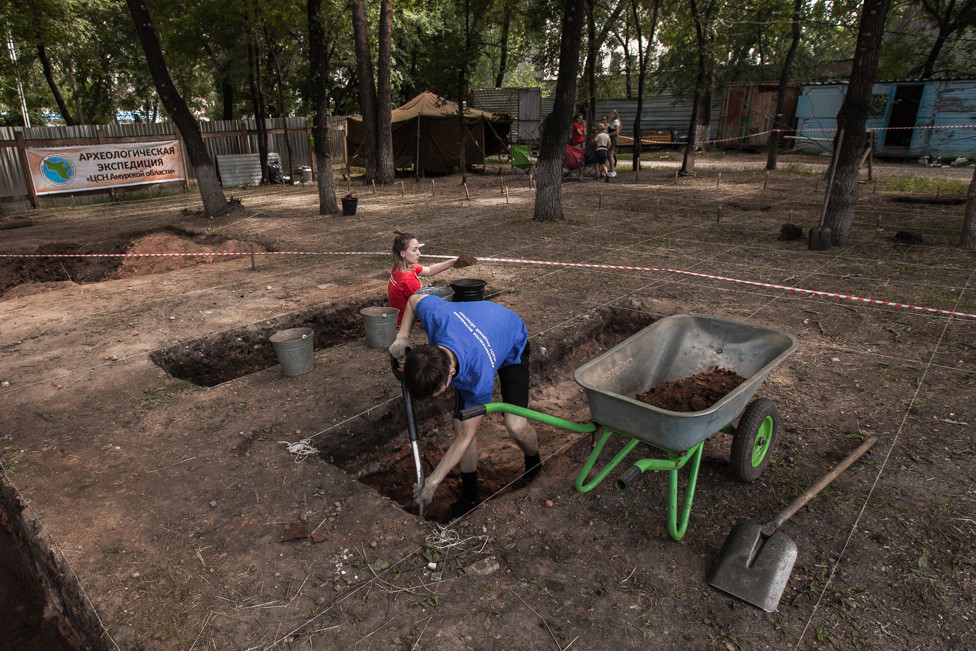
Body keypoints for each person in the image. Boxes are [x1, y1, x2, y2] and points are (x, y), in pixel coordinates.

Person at [388, 293, 540, 517]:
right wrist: (402, 336)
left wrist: (432, 481)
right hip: (480, 324)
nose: (435, 398)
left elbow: (467, 436)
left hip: (511, 337)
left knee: (515, 425)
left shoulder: (478, 378)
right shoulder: (437, 316)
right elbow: (413, 299)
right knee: (460, 423)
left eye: (437, 392)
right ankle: (470, 496)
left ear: (451, 374)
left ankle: (534, 464)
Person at [388, 231, 459, 325]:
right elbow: (426, 305)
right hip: (408, 323)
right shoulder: (407, 278)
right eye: (414, 250)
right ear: (403, 253)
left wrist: (451, 262)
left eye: (418, 249)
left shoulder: (400, 266)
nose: (419, 253)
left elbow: (429, 270)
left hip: (399, 318)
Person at [607, 109, 621, 177]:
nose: (610, 116)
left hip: (613, 139)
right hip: (612, 138)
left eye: (611, 114)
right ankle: (612, 170)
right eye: (610, 114)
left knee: (610, 155)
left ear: (615, 115)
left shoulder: (615, 121)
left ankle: (612, 170)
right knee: (611, 154)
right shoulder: (613, 121)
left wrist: (609, 134)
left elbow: (616, 131)